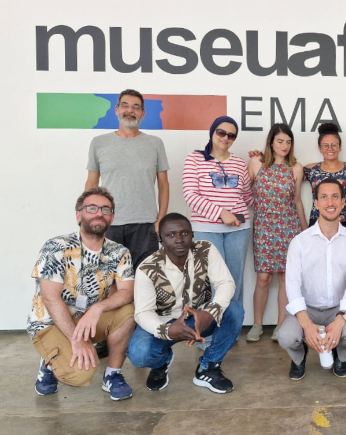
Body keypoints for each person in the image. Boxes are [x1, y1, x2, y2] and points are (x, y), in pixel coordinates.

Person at [28, 187, 135, 401]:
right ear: (79, 215)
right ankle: (49, 364)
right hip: (52, 323)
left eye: (106, 209)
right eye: (92, 208)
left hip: (89, 320)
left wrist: (98, 308)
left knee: (129, 311)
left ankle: (112, 374)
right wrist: (76, 340)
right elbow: (50, 298)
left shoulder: (119, 252)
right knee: (79, 375)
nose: (99, 213)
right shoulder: (56, 247)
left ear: (112, 217)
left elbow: (127, 293)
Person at [128, 213, 243, 393]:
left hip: (199, 318)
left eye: (184, 233)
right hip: (163, 324)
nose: (179, 239)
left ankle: (208, 367)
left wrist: (210, 312)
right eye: (171, 235)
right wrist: (167, 330)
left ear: (192, 234)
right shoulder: (147, 268)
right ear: (160, 238)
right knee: (139, 354)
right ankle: (161, 362)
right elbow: (143, 313)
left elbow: (225, 283)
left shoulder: (205, 250)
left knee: (234, 310)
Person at [278, 179, 346, 379]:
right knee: (286, 337)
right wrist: (307, 325)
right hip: (307, 307)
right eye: (323, 197)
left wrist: (341, 319)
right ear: (316, 203)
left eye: (335, 197)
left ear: (343, 202)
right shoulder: (299, 242)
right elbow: (292, 285)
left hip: (337, 307)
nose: (330, 203)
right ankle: (299, 358)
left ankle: (340, 358)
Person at [85, 88, 170, 270]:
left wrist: (160, 219)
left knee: (145, 281)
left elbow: (163, 184)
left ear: (143, 113)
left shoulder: (155, 144)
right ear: (116, 109)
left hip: (146, 225)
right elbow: (91, 183)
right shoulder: (98, 143)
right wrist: (89, 215)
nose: (130, 111)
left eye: (136, 107)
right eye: (125, 106)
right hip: (108, 222)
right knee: (108, 281)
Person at [182, 116, 253, 315]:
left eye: (231, 135)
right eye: (221, 132)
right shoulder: (195, 158)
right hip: (206, 229)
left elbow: (248, 196)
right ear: (212, 132)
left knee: (235, 280)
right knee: (211, 280)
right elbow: (190, 195)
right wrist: (221, 213)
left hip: (239, 229)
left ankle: (232, 326)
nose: (225, 138)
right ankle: (210, 330)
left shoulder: (239, 163)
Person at [247, 123, 308, 342]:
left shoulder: (296, 168)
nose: (284, 146)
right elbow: (246, 194)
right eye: (280, 141)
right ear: (271, 142)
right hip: (264, 226)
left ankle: (281, 324)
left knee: (284, 277)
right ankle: (257, 323)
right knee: (263, 278)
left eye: (288, 142)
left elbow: (297, 201)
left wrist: (304, 230)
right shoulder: (256, 163)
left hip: (288, 227)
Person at [303, 122, 346, 230]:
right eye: (325, 146)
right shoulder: (311, 170)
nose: (330, 149)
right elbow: (288, 176)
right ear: (319, 148)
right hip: (317, 223)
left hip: (344, 223)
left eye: (334, 145)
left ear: (340, 147)